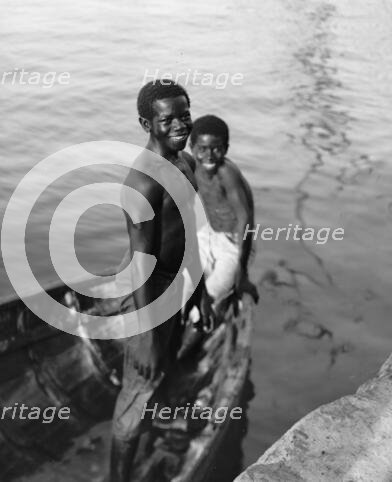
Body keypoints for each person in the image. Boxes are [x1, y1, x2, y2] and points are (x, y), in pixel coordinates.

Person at [109, 80, 206, 482]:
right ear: (146, 123)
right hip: (148, 293)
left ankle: (158, 422)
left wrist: (199, 292)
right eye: (168, 120)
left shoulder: (186, 163)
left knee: (165, 366)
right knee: (136, 390)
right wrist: (146, 335)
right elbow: (139, 265)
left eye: (185, 115)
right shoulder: (143, 182)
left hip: (177, 286)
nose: (181, 125)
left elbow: (192, 231)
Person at [182, 115, 259, 329]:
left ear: (225, 148)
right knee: (180, 294)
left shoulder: (227, 174)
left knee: (203, 306)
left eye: (216, 149)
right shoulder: (191, 168)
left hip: (235, 244)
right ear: (192, 147)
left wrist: (241, 275)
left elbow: (246, 221)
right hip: (208, 236)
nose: (209, 155)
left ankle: (196, 335)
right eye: (202, 148)